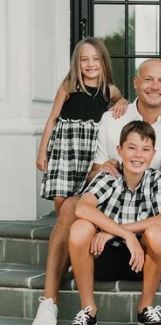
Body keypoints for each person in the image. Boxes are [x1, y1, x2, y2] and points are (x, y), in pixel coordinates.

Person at [31, 58, 161, 325]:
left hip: (151, 217)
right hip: (112, 208)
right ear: (136, 83)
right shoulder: (114, 118)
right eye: (148, 79)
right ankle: (50, 301)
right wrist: (106, 168)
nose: (155, 86)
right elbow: (96, 173)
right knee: (70, 212)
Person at [60, 121, 161, 325]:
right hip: (102, 255)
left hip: (140, 261)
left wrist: (118, 231)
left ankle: (145, 308)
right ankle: (88, 310)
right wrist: (125, 235)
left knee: (159, 234)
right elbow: (83, 207)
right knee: (80, 227)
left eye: (145, 149)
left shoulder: (157, 180)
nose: (138, 155)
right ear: (120, 150)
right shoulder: (108, 177)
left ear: (153, 154)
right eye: (131, 148)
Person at [36, 36, 128, 215]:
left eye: (95, 59)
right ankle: (62, 226)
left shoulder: (108, 89)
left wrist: (122, 101)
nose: (90, 64)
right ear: (77, 62)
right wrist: (42, 152)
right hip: (66, 147)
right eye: (84, 59)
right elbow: (52, 119)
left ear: (103, 62)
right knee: (61, 195)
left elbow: (121, 99)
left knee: (84, 191)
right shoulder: (69, 85)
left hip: (90, 148)